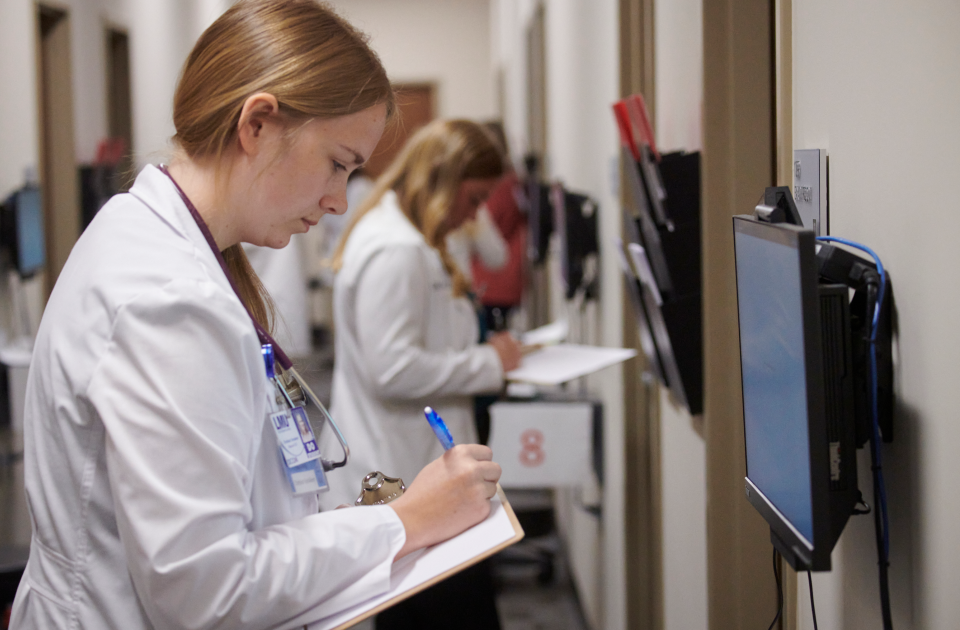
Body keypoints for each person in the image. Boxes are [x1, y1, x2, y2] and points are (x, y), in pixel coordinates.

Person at [10, 2, 501, 628]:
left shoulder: (151, 235)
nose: (334, 200)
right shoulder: (170, 298)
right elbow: (207, 592)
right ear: (259, 125)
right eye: (337, 163)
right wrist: (402, 523)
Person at [322, 119, 523, 630]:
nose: (473, 215)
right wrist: (488, 364)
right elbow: (391, 369)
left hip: (413, 470)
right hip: (400, 474)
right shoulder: (398, 250)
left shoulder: (411, 236)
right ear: (443, 180)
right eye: (473, 199)